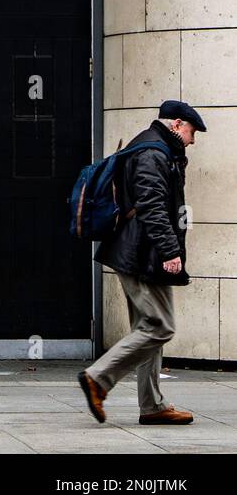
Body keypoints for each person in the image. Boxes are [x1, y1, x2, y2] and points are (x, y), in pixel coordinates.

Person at [79, 100, 203, 426]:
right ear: (177, 124)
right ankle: (98, 378)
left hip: (139, 251)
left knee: (147, 329)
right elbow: (152, 206)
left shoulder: (155, 147)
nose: (192, 140)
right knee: (160, 326)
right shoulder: (153, 153)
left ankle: (152, 405)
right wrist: (170, 251)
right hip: (141, 253)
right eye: (191, 132)